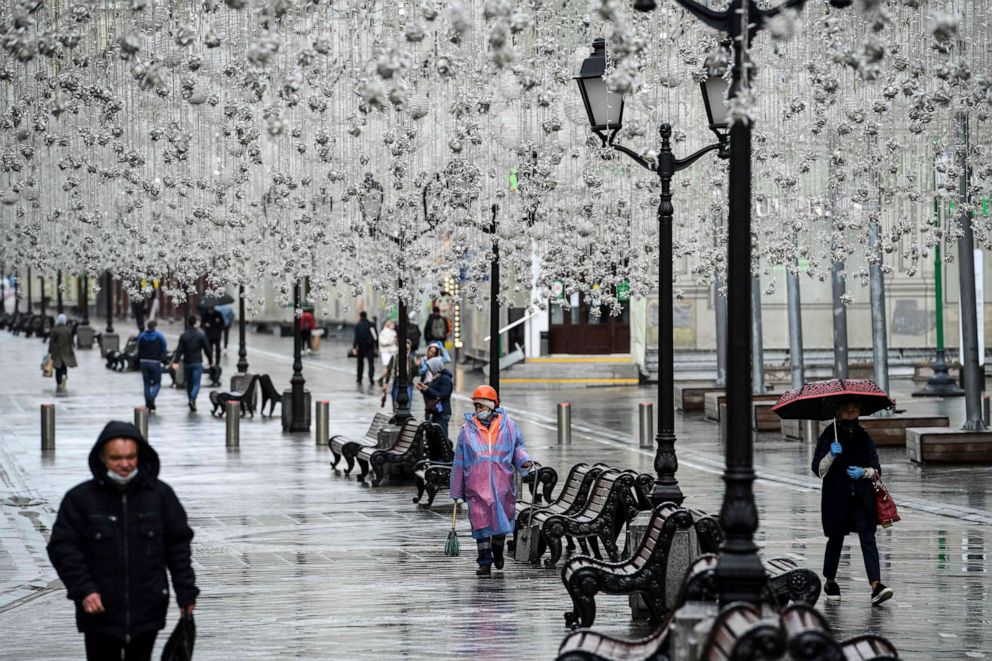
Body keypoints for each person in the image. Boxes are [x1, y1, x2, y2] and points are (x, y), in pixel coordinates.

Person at [47, 420, 198, 661]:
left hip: (147, 610)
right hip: (99, 613)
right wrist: (84, 590)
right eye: (116, 458)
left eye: (131, 457)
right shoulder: (80, 499)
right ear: (102, 458)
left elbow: (178, 546)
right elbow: (63, 547)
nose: (125, 464)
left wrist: (186, 592)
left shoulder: (160, 496)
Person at [811, 399, 894, 606]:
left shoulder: (864, 436)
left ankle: (876, 585)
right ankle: (830, 581)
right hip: (836, 498)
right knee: (836, 538)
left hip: (861, 497)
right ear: (837, 411)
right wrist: (831, 454)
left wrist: (864, 472)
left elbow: (876, 469)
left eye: (855, 407)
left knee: (868, 537)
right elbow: (818, 470)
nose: (851, 410)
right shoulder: (829, 435)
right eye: (847, 408)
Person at [450, 385, 534, 576]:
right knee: (480, 523)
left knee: (500, 521)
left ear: (491, 405)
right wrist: (456, 489)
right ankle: (484, 561)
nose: (477, 410)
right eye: (475, 406)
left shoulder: (509, 426)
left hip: (502, 483)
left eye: (480, 406)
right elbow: (459, 461)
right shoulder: (466, 431)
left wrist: (524, 462)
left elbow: (518, 447)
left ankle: (498, 551)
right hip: (476, 485)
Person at [173, 315, 213, 412]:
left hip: (187, 362)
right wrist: (211, 361)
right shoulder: (201, 335)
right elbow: (207, 349)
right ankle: (192, 399)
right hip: (197, 362)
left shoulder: (184, 335)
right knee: (196, 383)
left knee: (189, 383)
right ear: (195, 323)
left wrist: (176, 362)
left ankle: (191, 399)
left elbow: (179, 350)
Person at [416, 356, 453, 441]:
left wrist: (427, 389)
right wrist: (424, 388)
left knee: (442, 437)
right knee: (436, 436)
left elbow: (442, 395)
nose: (430, 370)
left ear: (435, 367)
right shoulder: (437, 377)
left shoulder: (445, 379)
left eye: (430, 368)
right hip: (437, 411)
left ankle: (445, 453)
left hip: (443, 412)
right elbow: (433, 391)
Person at [136, 320, 167, 411]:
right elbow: (164, 347)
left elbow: (138, 347)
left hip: (144, 361)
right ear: (155, 326)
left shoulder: (142, 336)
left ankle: (148, 402)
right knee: (157, 382)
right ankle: (151, 398)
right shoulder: (159, 335)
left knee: (146, 384)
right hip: (155, 361)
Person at [382, 340, 417, 412]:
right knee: (396, 403)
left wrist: (416, 366)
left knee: (408, 403)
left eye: (408, 349)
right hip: (397, 382)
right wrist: (386, 383)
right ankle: (396, 418)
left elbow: (415, 373)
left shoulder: (411, 359)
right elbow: (389, 370)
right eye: (405, 349)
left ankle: (406, 418)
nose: (406, 351)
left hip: (408, 383)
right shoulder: (395, 357)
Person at [48, 313, 77, 394]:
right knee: (64, 366)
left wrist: (50, 351)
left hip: (57, 352)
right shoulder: (67, 329)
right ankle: (64, 375)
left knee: (58, 368)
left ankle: (59, 383)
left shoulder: (55, 329)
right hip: (66, 351)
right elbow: (71, 341)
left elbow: (51, 342)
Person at [352, 311, 377, 386]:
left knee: (360, 363)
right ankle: (371, 378)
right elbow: (375, 337)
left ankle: (359, 378)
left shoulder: (357, 325)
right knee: (371, 363)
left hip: (361, 347)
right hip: (370, 346)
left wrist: (354, 347)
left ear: (360, 316)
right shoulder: (371, 325)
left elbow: (356, 337)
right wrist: (377, 346)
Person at [377, 319, 398, 385]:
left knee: (391, 366)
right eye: (392, 325)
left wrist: (395, 341)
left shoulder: (394, 332)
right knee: (388, 366)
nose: (393, 326)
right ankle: (382, 378)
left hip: (393, 350)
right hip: (385, 351)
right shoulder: (383, 332)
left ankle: (384, 379)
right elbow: (382, 341)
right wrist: (389, 342)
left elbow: (395, 341)